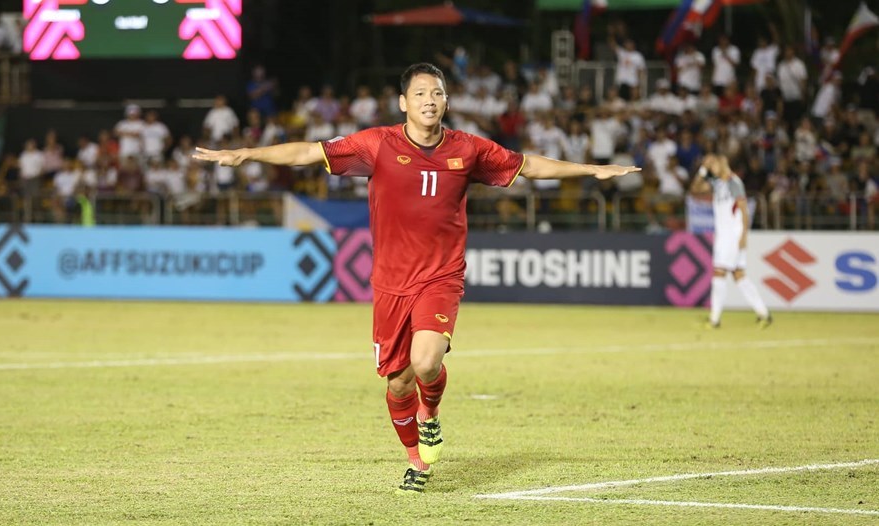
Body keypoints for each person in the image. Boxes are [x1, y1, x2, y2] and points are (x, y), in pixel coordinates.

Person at [193, 63, 639, 495]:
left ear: (446, 102)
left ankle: (431, 414)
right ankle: (415, 459)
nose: (430, 100)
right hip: (390, 283)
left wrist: (591, 169)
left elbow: (528, 166)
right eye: (421, 93)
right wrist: (247, 153)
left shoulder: (469, 149)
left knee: (427, 363)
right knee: (398, 381)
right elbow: (309, 152)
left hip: (442, 277)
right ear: (404, 102)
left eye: (438, 93)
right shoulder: (377, 144)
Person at [690, 154, 771, 329]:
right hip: (725, 235)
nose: (712, 168)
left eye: (714, 165)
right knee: (739, 275)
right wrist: (703, 170)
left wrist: (743, 236)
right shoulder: (717, 184)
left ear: (723, 164)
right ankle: (763, 314)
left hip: (732, 235)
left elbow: (744, 210)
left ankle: (715, 319)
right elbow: (695, 189)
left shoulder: (734, 182)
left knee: (719, 273)